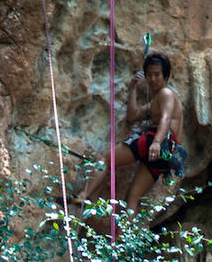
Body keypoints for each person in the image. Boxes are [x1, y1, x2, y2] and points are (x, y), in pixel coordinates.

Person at [76, 50, 187, 212]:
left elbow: (166, 118)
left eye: (157, 74)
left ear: (166, 76)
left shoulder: (166, 93)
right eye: (149, 75)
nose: (152, 79)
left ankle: (82, 196)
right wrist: (133, 89)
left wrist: (156, 142)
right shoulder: (156, 102)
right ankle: (126, 229)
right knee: (133, 197)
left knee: (105, 159)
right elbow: (133, 116)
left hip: (157, 142)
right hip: (167, 155)